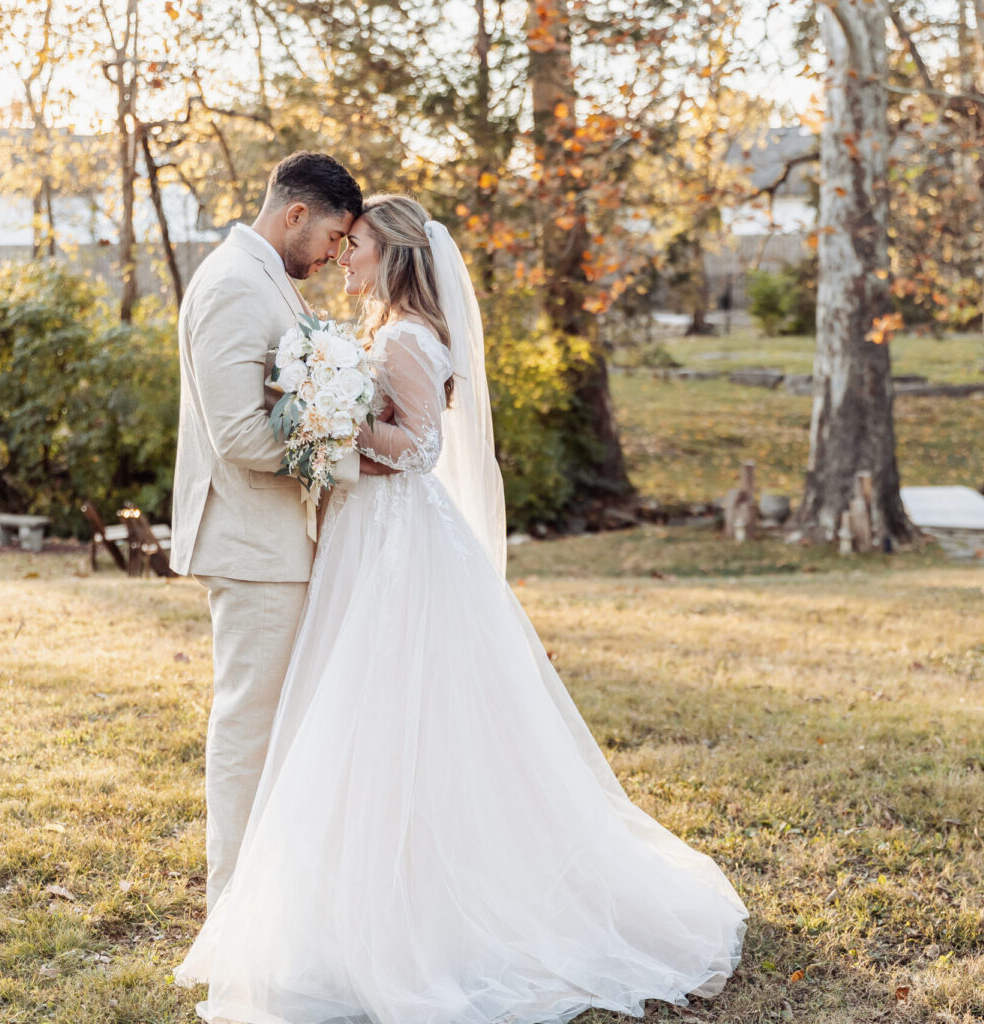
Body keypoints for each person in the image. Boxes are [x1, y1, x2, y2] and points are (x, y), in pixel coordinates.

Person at [174, 194, 748, 1024]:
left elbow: (421, 450)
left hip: (392, 541)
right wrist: (337, 420)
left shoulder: (405, 336)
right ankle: (321, 902)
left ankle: (373, 912)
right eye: (341, 240)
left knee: (381, 716)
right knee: (346, 721)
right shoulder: (353, 319)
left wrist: (342, 428)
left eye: (357, 243)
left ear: (395, 253)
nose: (345, 257)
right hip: (358, 537)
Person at [169, 151, 363, 912]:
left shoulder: (268, 279)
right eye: (334, 239)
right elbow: (241, 437)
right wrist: (347, 450)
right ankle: (233, 913)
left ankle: (270, 906)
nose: (336, 255)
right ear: (295, 216)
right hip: (252, 548)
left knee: (277, 725)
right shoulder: (231, 286)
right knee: (249, 729)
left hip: (279, 542)